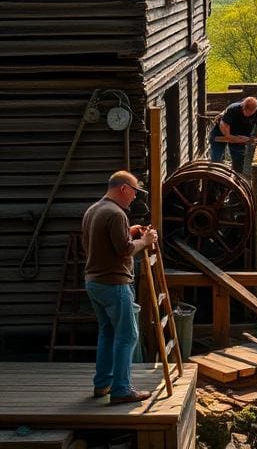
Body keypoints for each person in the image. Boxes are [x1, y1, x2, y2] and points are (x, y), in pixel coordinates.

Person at [82, 170, 158, 405]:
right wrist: (145, 241)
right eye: (135, 191)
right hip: (114, 283)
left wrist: (130, 232)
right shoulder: (116, 214)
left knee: (108, 332)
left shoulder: (94, 210)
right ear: (124, 188)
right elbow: (124, 249)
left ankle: (103, 383)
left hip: (93, 282)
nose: (135, 197)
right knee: (128, 335)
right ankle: (122, 389)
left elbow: (108, 242)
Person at [208, 96, 257, 172]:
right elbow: (224, 128)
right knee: (216, 158)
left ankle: (236, 177)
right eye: (247, 112)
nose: (248, 115)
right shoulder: (233, 109)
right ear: (243, 107)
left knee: (238, 159)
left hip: (241, 134)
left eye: (251, 113)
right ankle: (214, 177)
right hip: (221, 132)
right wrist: (238, 139)